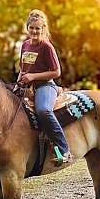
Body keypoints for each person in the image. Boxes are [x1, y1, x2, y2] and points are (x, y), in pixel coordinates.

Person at [17, 9, 72, 165]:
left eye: (38, 28)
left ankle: (64, 149)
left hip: (46, 86)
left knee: (43, 110)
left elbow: (56, 72)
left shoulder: (46, 47)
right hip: (27, 86)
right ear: (27, 28)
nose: (34, 31)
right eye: (32, 28)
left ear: (43, 29)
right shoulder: (25, 45)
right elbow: (23, 68)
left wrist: (33, 77)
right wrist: (18, 82)